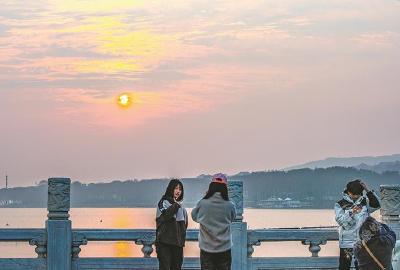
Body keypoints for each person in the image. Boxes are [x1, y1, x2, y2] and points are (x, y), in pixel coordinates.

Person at [191, 173, 236, 270]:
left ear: (211, 187)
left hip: (206, 248)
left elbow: (194, 216)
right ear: (225, 188)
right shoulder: (230, 205)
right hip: (224, 248)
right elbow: (232, 218)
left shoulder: (203, 203)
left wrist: (205, 198)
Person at [335, 179, 381, 270]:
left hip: (362, 242)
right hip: (347, 243)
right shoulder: (340, 204)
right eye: (353, 194)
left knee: (362, 267)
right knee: (344, 267)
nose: (356, 196)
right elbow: (341, 222)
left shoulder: (365, 202)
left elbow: (377, 205)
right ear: (348, 192)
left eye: (358, 194)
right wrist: (352, 212)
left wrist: (367, 190)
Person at [155, 179, 188, 270]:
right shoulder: (163, 202)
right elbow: (166, 215)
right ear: (170, 189)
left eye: (180, 189)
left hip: (178, 244)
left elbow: (184, 224)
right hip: (164, 243)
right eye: (176, 188)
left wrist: (181, 240)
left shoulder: (181, 206)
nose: (178, 191)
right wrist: (176, 205)